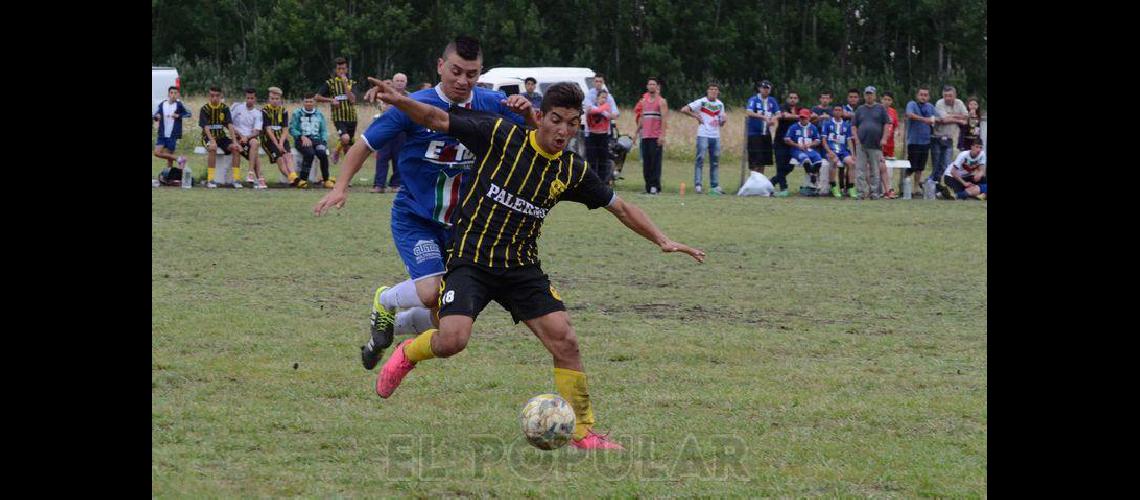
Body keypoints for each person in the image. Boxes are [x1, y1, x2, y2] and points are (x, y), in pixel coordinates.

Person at [329, 79, 706, 450]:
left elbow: (619, 207)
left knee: (566, 341)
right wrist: (401, 101)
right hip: (471, 259)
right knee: (453, 340)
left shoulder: (570, 170)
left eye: (572, 123)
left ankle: (584, 432)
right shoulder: (500, 135)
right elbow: (436, 118)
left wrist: (663, 239)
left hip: (521, 268)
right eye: (556, 120)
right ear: (540, 117)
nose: (563, 130)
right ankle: (407, 352)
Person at [313, 36, 534, 373]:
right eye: (456, 71)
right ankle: (385, 298)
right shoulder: (412, 105)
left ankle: (388, 327)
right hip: (417, 218)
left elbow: (536, 134)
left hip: (464, 226)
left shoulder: (493, 104)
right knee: (432, 291)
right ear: (440, 66)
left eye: (471, 74)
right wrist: (340, 187)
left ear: (481, 74)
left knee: (445, 315)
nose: (462, 81)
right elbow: (363, 146)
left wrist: (528, 112)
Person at [681, 83, 727, 195]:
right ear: (707, 91)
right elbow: (684, 109)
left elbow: (720, 122)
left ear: (718, 92)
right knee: (700, 159)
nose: (713, 91)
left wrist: (723, 121)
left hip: (715, 135)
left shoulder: (720, 104)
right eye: (711, 89)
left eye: (716, 90)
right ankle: (698, 185)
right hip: (703, 134)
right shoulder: (701, 102)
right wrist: (696, 116)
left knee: (715, 161)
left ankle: (714, 185)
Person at [367, 73, 409, 193]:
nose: (400, 83)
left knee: (399, 158)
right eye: (398, 80)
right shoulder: (385, 94)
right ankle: (379, 185)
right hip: (386, 130)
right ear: (393, 82)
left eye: (402, 81)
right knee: (382, 158)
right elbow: (383, 108)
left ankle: (396, 184)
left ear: (406, 83)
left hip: (402, 131)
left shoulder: (411, 96)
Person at [316, 57, 358, 165]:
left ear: (347, 69)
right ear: (336, 70)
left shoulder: (352, 83)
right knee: (345, 138)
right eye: (339, 69)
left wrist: (345, 85)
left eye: (343, 69)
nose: (341, 71)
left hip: (352, 118)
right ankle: (336, 151)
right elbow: (317, 97)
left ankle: (346, 178)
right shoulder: (330, 83)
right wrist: (330, 100)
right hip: (338, 117)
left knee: (348, 150)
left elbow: (352, 100)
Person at [199, 86, 243, 189]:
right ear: (209, 96)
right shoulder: (205, 109)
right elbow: (205, 127)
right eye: (212, 96)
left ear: (221, 96)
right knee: (213, 148)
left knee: (236, 149)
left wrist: (235, 141)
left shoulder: (224, 108)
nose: (215, 98)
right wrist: (212, 140)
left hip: (221, 137)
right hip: (207, 137)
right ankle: (210, 180)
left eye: (217, 96)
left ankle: (236, 180)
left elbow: (230, 125)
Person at [851, 86, 891, 199]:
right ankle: (860, 193)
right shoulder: (859, 109)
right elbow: (853, 126)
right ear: (864, 96)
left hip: (876, 144)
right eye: (867, 94)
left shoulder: (881, 108)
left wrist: (884, 138)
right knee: (860, 170)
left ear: (875, 95)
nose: (869, 96)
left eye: (871, 94)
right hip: (862, 144)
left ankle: (874, 193)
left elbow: (886, 125)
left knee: (875, 170)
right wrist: (857, 139)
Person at [633, 77, 668, 194]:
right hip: (645, 136)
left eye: (653, 84)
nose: (651, 86)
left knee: (655, 163)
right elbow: (642, 118)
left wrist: (662, 135)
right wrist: (636, 133)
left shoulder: (661, 102)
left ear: (657, 86)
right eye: (649, 84)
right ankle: (648, 187)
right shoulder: (643, 101)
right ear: (647, 86)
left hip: (655, 136)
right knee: (646, 163)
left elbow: (664, 120)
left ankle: (655, 187)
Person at [261, 86, 302, 187]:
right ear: (268, 99)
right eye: (272, 99)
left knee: (288, 156)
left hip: (281, 139)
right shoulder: (265, 111)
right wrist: (277, 144)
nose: (274, 101)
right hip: (269, 140)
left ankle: (294, 178)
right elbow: (268, 130)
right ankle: (292, 178)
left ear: (280, 99)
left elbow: (285, 129)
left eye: (277, 99)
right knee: (280, 159)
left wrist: (281, 142)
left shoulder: (283, 111)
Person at [290, 93, 332, 187]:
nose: (308, 103)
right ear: (303, 102)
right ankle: (303, 179)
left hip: (317, 140)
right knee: (310, 153)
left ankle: (326, 180)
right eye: (306, 101)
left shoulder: (319, 114)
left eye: (311, 101)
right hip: (301, 139)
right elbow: (292, 129)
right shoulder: (297, 113)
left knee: (322, 152)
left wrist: (324, 142)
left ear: (314, 102)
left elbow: (323, 130)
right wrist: (301, 136)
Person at [929, 85, 968, 185]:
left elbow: (966, 116)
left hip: (949, 139)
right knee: (936, 165)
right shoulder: (939, 103)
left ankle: (934, 185)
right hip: (936, 138)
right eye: (945, 95)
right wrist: (958, 119)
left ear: (955, 95)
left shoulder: (959, 103)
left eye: (950, 95)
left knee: (946, 165)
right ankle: (930, 184)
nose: (947, 98)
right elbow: (943, 119)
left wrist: (951, 116)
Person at [153, 86, 191, 186]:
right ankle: (179, 159)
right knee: (156, 152)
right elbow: (155, 115)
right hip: (162, 134)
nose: (173, 95)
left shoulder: (179, 105)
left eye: (175, 93)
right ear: (168, 94)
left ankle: (167, 178)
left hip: (173, 134)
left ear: (178, 95)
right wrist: (156, 117)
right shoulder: (162, 104)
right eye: (172, 93)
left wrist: (179, 116)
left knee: (169, 158)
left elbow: (189, 113)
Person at [903, 87, 938, 195]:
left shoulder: (931, 107)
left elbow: (938, 118)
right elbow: (909, 114)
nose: (923, 97)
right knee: (911, 166)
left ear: (929, 97)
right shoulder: (912, 104)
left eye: (925, 95)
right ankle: (905, 187)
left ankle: (915, 188)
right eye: (921, 94)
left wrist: (934, 120)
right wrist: (925, 120)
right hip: (914, 141)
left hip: (926, 141)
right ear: (917, 95)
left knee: (920, 167)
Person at [771, 90, 806, 197]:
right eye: (791, 97)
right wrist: (800, 116)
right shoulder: (782, 107)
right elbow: (784, 115)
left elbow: (810, 115)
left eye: (795, 98)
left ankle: (771, 182)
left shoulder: (800, 109)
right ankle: (783, 188)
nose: (793, 100)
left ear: (798, 100)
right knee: (780, 165)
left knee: (790, 166)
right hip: (780, 141)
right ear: (787, 99)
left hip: (793, 143)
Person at [231, 88, 266, 189]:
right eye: (248, 98)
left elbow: (256, 132)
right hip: (237, 137)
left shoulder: (258, 113)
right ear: (245, 98)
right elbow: (229, 124)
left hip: (249, 138)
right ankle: (259, 179)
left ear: (255, 99)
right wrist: (240, 136)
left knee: (255, 142)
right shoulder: (237, 108)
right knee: (243, 150)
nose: (249, 100)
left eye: (252, 98)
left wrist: (246, 137)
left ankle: (250, 173)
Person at [784, 108, 824, 194]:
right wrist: (797, 145)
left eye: (805, 117)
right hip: (797, 150)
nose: (803, 119)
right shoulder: (794, 127)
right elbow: (787, 139)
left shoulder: (813, 127)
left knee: (818, 160)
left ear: (809, 118)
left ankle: (812, 177)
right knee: (806, 160)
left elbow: (817, 140)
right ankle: (813, 179)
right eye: (801, 117)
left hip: (809, 149)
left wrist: (810, 145)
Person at [744, 80, 779, 175]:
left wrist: (773, 119)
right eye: (763, 88)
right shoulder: (754, 99)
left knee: (763, 160)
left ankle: (761, 182)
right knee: (755, 159)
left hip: (766, 133)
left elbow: (778, 113)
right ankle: (753, 181)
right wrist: (763, 117)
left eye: (767, 88)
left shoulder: (772, 101)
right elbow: (749, 112)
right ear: (760, 89)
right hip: (754, 134)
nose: (765, 90)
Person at [820, 104, 854, 198]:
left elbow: (849, 140)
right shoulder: (827, 123)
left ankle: (851, 188)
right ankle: (833, 186)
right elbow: (823, 141)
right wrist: (829, 151)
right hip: (830, 150)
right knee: (834, 161)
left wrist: (853, 153)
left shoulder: (846, 125)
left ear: (842, 112)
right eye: (836, 110)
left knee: (851, 162)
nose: (837, 112)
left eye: (839, 110)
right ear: (832, 111)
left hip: (842, 151)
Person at [586, 89, 615, 184]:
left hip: (603, 136)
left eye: (605, 98)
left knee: (603, 160)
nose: (604, 100)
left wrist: (599, 109)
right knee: (592, 160)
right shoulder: (592, 107)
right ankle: (592, 181)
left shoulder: (607, 107)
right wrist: (598, 110)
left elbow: (609, 115)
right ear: (597, 98)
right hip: (592, 135)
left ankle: (602, 182)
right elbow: (590, 112)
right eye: (602, 97)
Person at [878, 91, 900, 199]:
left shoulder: (893, 112)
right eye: (885, 99)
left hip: (890, 144)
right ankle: (879, 190)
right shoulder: (877, 110)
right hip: (879, 142)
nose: (887, 102)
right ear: (881, 99)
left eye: (889, 100)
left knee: (889, 166)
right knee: (879, 166)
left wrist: (896, 133)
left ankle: (887, 190)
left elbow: (896, 126)